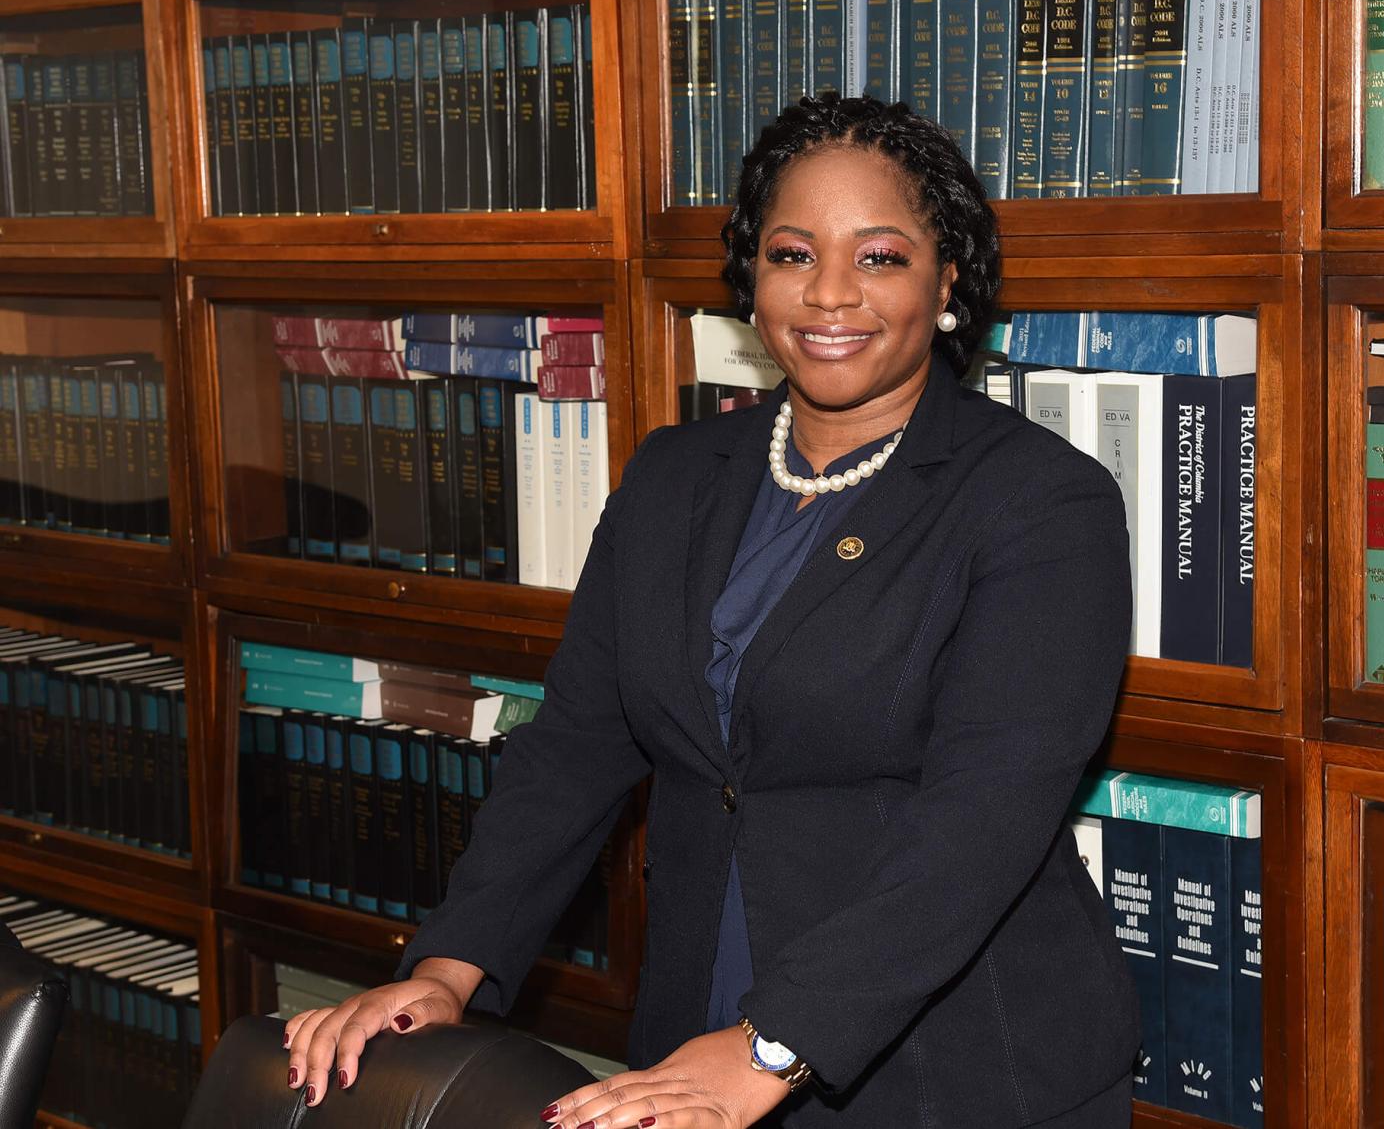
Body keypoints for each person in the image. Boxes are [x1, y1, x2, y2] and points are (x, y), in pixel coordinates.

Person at [282, 94, 1138, 1128]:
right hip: (692, 1030)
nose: (829, 295)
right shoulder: (675, 476)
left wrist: (776, 1044)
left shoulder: (1040, 502)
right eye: (791, 254)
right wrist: (451, 968)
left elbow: (984, 820)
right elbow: (576, 748)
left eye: (878, 257)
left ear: (947, 278)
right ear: (751, 276)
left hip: (950, 1066)